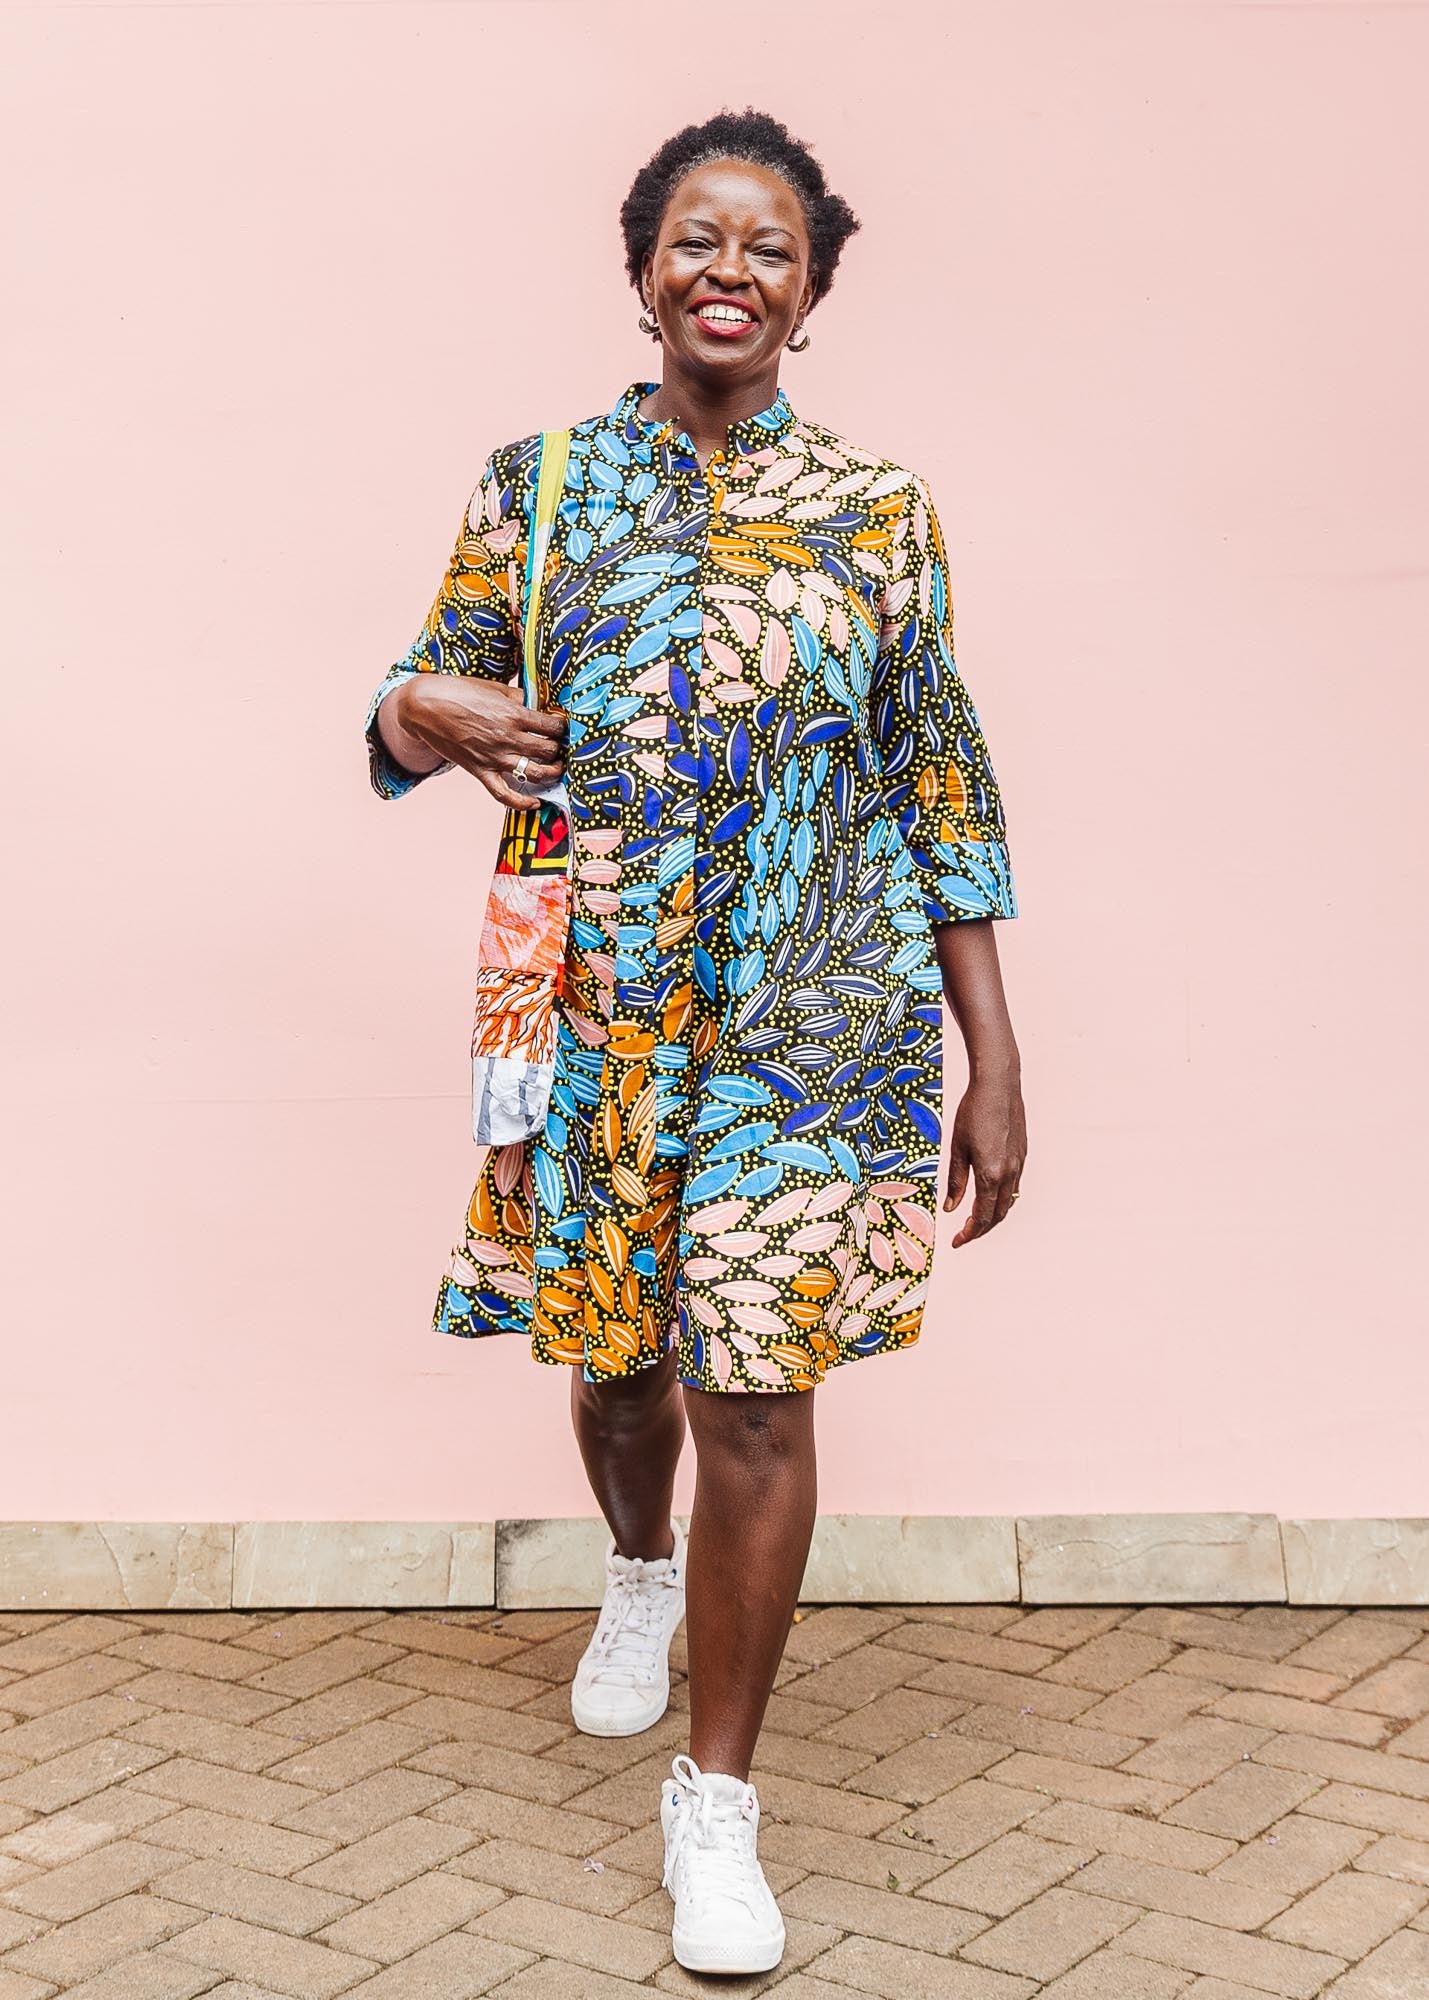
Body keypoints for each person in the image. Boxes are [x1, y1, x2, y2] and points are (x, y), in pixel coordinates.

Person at [365, 108, 1026, 1977]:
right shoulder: (540, 481)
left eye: (770, 252)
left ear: (809, 295)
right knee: (618, 1364)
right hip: (603, 1010)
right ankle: (635, 1570)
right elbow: (423, 700)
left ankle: (715, 1807)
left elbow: (938, 782)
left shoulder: (879, 512)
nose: (730, 273)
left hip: (825, 1012)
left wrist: (994, 1049)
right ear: (643, 266)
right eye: (698, 242)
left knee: (758, 1386)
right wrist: (422, 699)